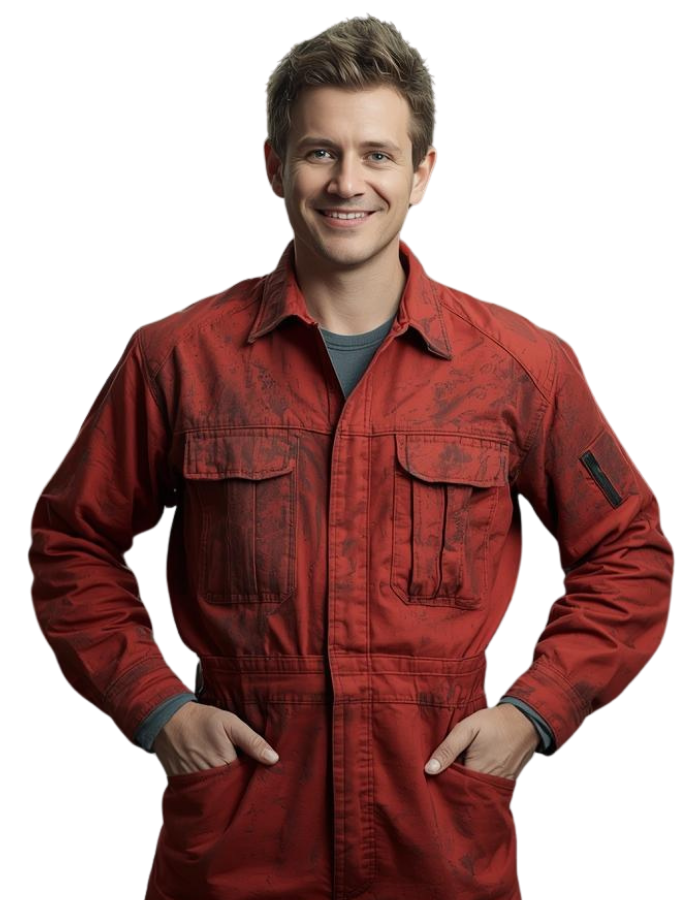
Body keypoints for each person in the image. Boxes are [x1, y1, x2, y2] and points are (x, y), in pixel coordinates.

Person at [28, 13, 675, 900]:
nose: (346, 182)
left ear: (422, 174)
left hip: (440, 837)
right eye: (319, 152)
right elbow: (71, 541)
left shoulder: (522, 366)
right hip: (238, 839)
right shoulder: (175, 359)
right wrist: (157, 708)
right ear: (273, 166)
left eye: (377, 154)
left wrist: (534, 714)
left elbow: (630, 549)